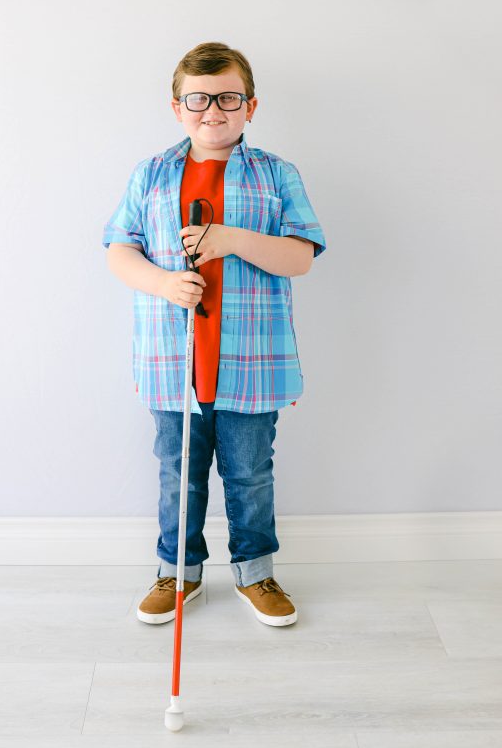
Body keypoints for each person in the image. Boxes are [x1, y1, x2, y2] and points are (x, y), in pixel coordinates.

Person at [103, 42, 326, 628]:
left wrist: (230, 239)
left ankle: (256, 572)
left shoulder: (277, 174)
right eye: (197, 99)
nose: (213, 111)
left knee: (250, 471)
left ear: (250, 106)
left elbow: (301, 255)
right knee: (178, 470)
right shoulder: (150, 174)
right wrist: (163, 283)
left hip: (252, 359)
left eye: (228, 98)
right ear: (177, 107)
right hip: (173, 359)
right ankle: (178, 571)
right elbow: (119, 250)